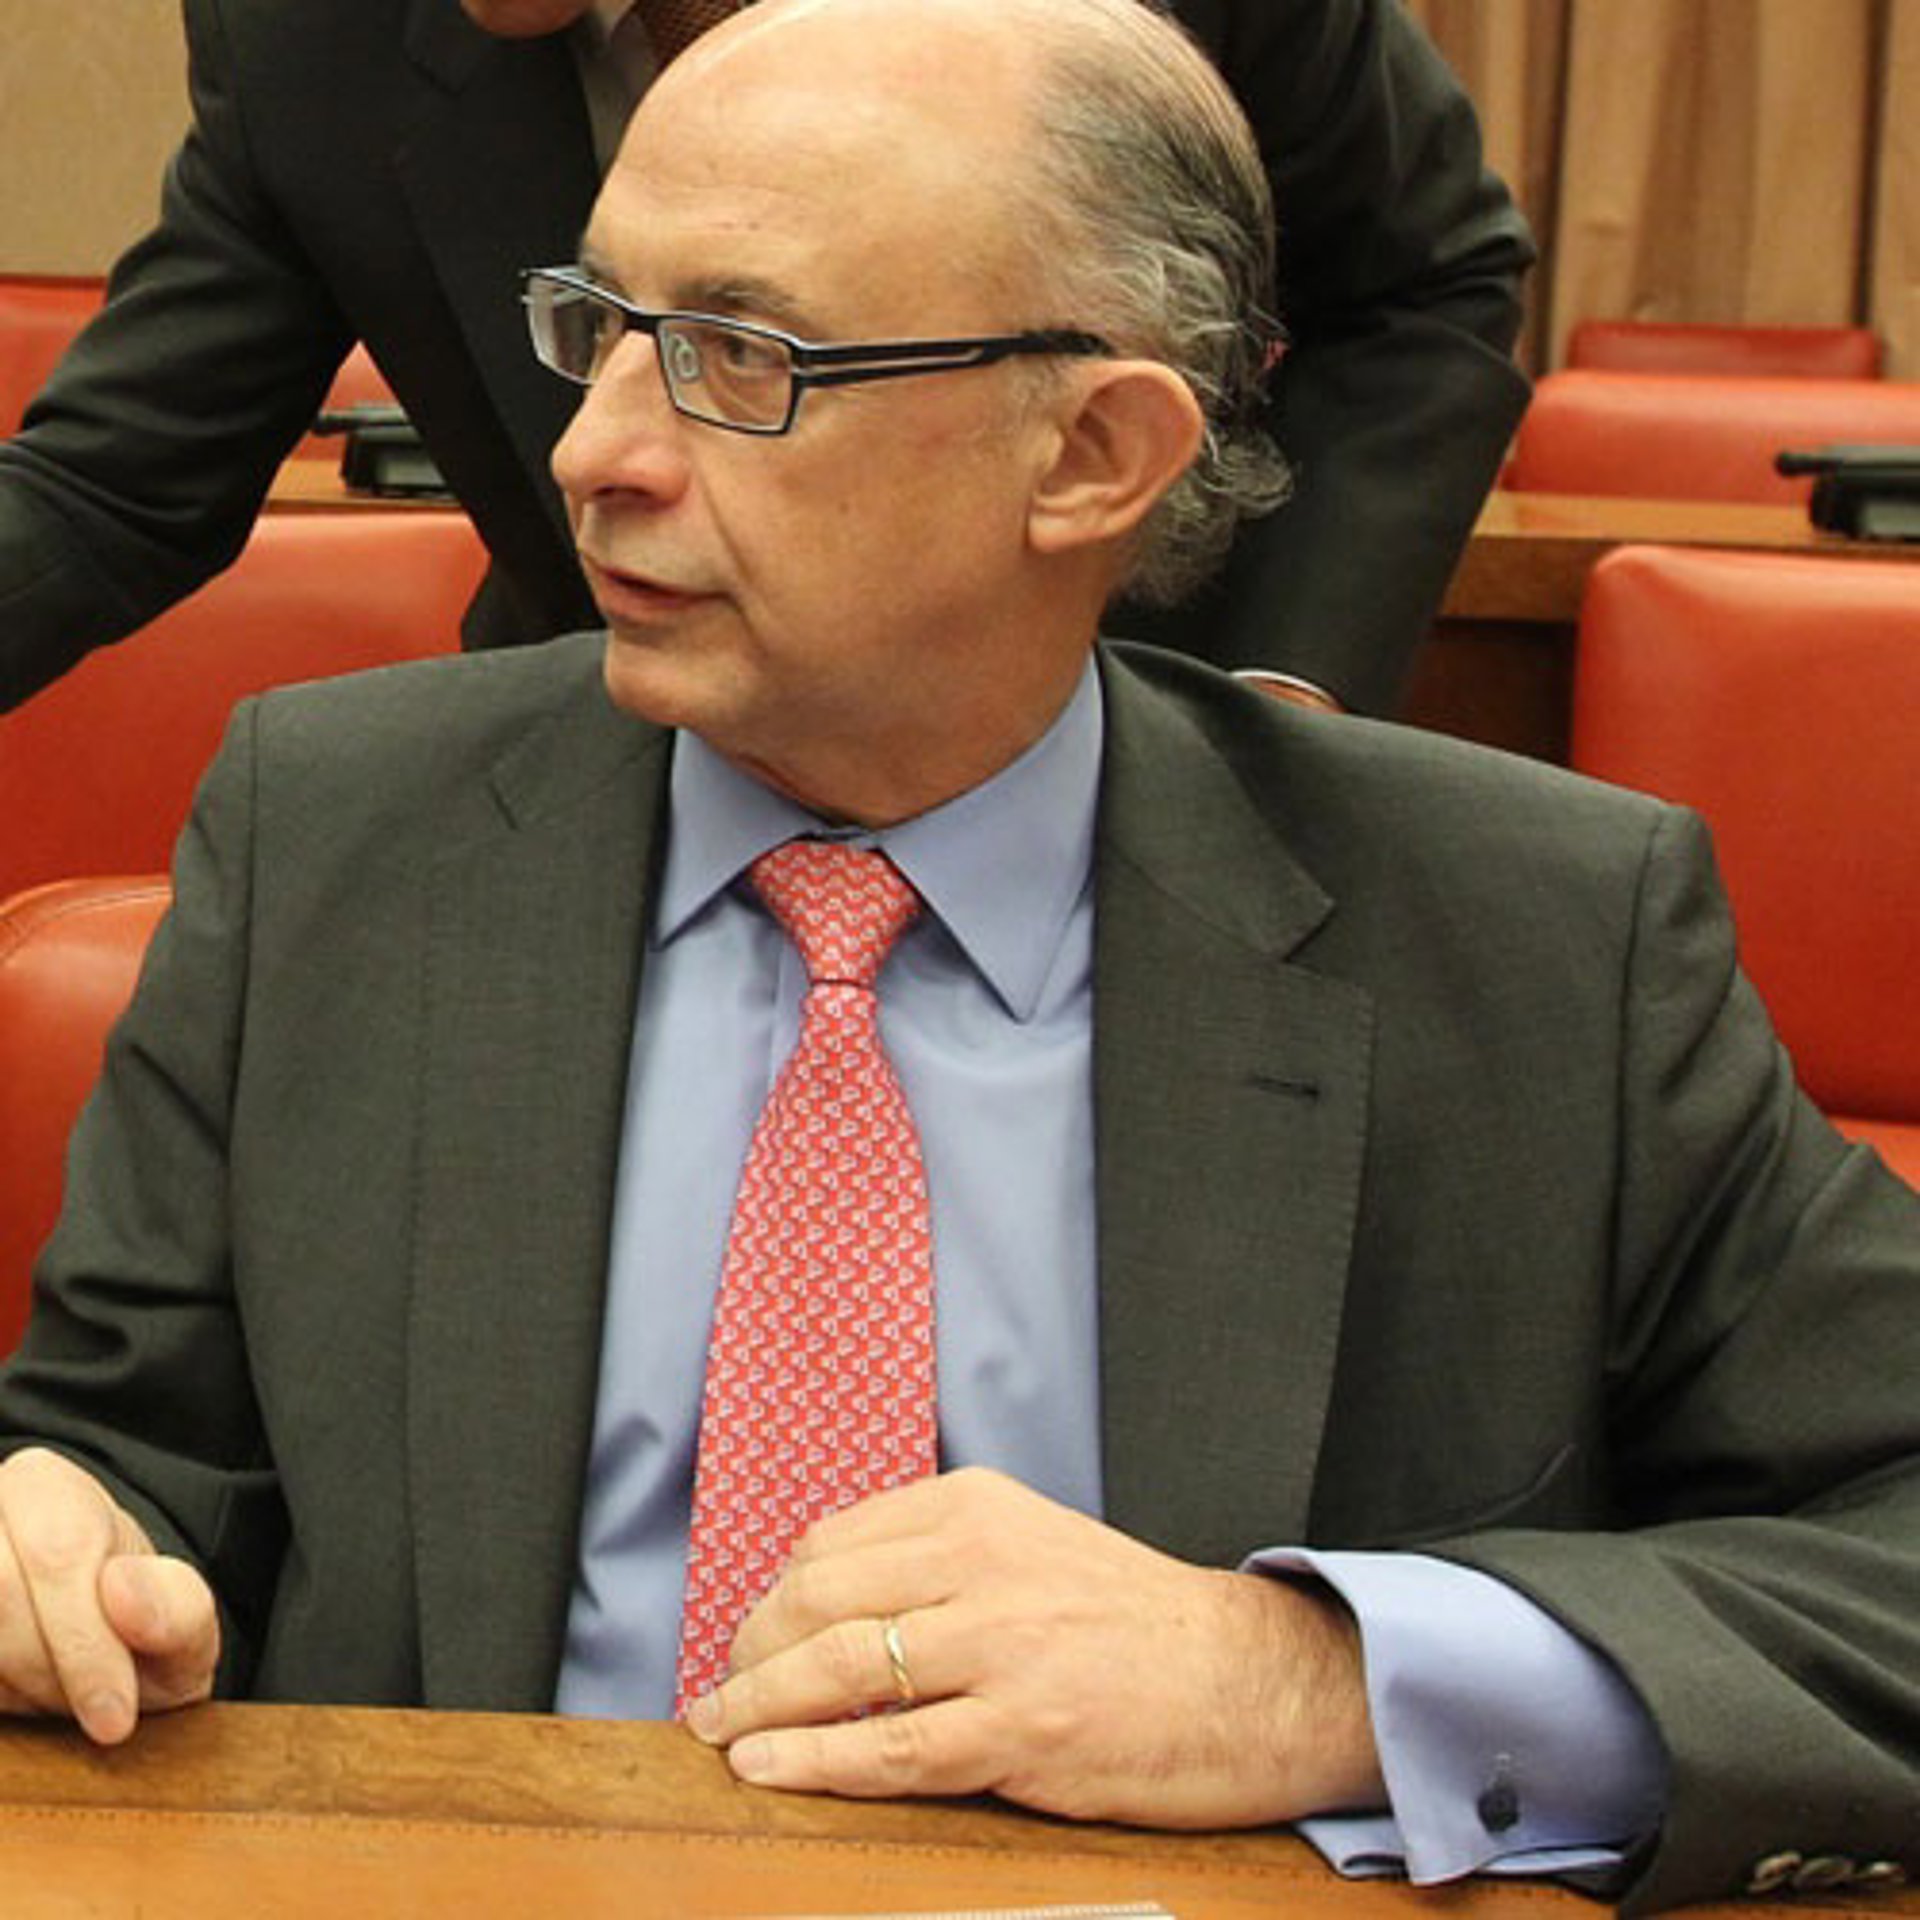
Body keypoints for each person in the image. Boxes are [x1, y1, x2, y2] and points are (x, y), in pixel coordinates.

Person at [0, 1, 1914, 1912]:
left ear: (1091, 452)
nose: (594, 451)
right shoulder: (334, 843)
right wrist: (59, 1540)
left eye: (740, 358)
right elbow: (127, 1462)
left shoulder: (1534, 943)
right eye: (598, 326)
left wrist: (1315, 1677)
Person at [0, 0, 1532, 718]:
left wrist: (1272, 698)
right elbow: (113, 484)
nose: (595, 452)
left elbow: (1424, 285)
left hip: (1108, 724)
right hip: (620, 745)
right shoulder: (305, 35)